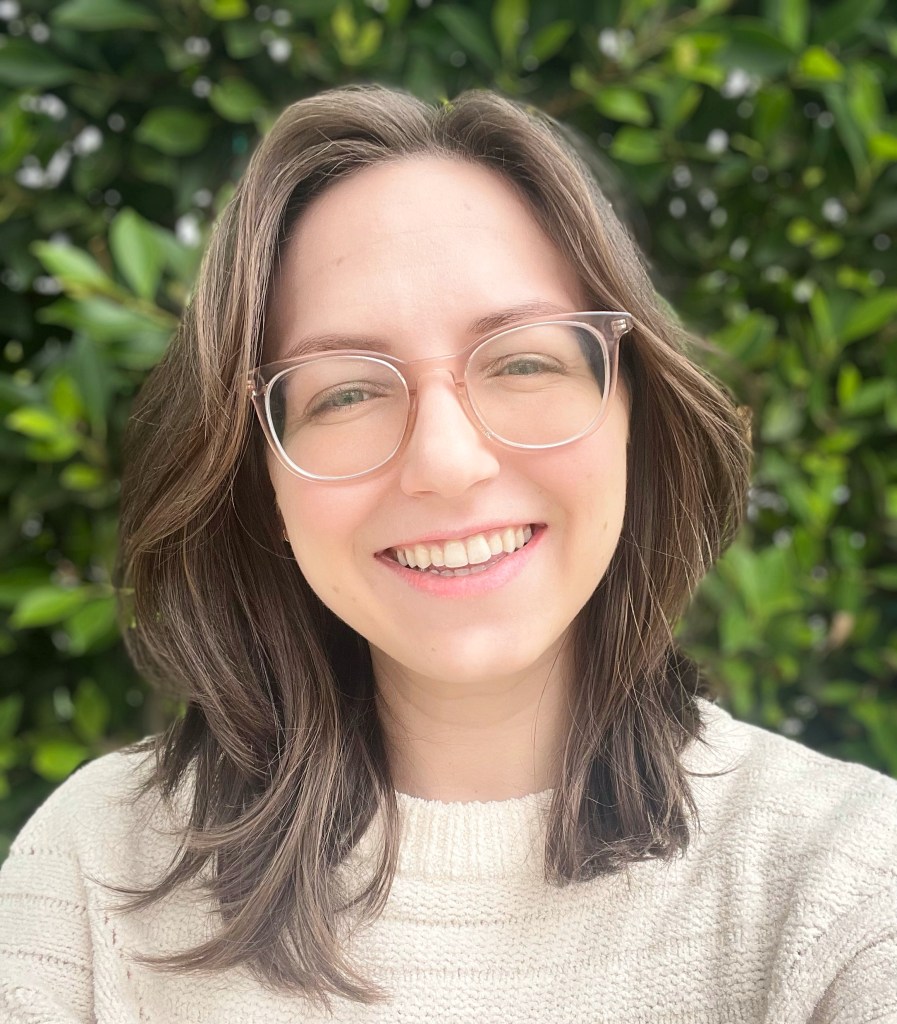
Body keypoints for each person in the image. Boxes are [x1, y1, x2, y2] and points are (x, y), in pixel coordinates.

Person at [0, 84, 895, 1023]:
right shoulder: (98, 875)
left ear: (633, 414)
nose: (445, 463)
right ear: (263, 479)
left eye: (522, 362)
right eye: (346, 393)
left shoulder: (842, 886)